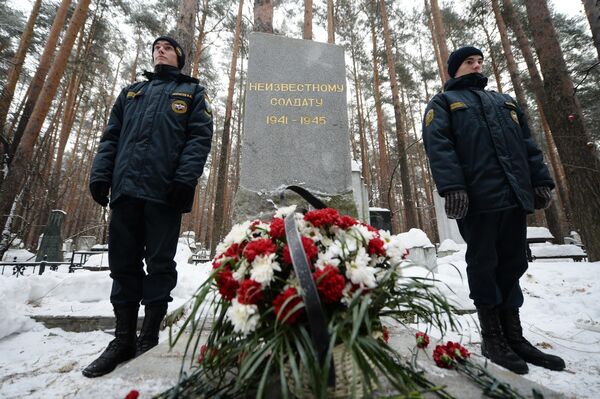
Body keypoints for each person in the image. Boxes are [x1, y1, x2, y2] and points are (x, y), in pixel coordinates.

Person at [422, 46, 565, 374]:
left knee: (513, 263)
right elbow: (439, 148)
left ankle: (514, 337)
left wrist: (539, 181)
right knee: (484, 263)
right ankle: (492, 337)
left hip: (513, 197)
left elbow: (528, 146)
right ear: (455, 69)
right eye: (470, 62)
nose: (477, 65)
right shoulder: (443, 104)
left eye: (479, 62)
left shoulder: (506, 102)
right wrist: (452, 187)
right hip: (479, 200)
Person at [82, 36, 213, 378]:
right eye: (156, 48)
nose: (160, 51)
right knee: (122, 264)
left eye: (167, 48)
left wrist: (185, 180)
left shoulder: (192, 93)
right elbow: (111, 136)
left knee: (159, 264)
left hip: (164, 193)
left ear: (179, 58)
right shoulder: (131, 93)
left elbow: (200, 138)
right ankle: (122, 339)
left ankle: (149, 337)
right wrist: (101, 175)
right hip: (125, 190)